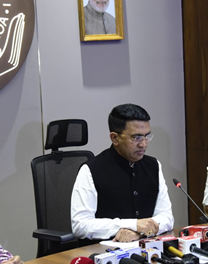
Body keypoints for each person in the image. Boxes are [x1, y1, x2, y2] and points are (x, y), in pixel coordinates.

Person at [71, 103, 174, 243]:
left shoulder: (153, 165)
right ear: (115, 138)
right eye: (136, 137)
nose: (143, 144)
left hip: (147, 247)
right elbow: (80, 225)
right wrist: (133, 225)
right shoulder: (90, 170)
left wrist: (140, 233)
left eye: (147, 136)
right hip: (104, 250)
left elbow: (167, 217)